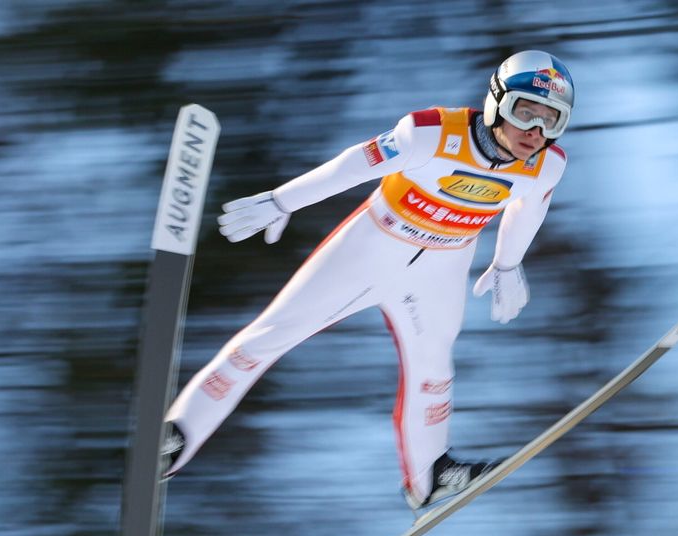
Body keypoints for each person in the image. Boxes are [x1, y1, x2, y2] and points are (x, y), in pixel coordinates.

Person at [162, 50, 574, 510]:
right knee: (268, 336)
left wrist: (506, 264)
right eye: (525, 112)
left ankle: (429, 475)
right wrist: (283, 201)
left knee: (434, 368)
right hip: (370, 248)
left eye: (552, 121)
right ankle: (179, 435)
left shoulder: (547, 164)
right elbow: (352, 165)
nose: (535, 132)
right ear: (497, 101)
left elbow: (529, 209)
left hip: (441, 268)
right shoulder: (430, 133)